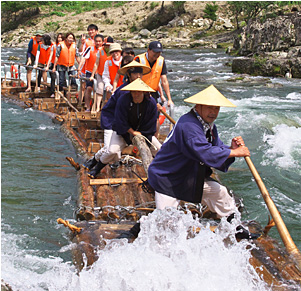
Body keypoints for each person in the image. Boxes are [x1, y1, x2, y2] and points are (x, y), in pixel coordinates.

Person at [147, 85, 260, 240]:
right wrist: (234, 152)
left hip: (189, 175)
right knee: (165, 224)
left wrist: (230, 149)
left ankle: (235, 228)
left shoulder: (209, 126)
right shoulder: (189, 125)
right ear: (198, 106)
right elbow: (204, 152)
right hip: (168, 176)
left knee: (220, 194)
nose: (213, 112)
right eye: (209, 108)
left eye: (216, 108)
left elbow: (215, 147)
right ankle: (137, 231)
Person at [83, 60, 151, 171]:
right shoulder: (123, 91)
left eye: (140, 73)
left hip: (123, 121)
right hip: (112, 119)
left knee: (115, 152)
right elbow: (120, 114)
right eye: (135, 73)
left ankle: (102, 161)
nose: (138, 76)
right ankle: (93, 163)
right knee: (109, 149)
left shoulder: (142, 89)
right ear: (129, 75)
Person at [86, 78, 161, 179]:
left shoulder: (151, 103)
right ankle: (96, 168)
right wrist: (132, 132)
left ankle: (161, 172)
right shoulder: (123, 100)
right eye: (134, 92)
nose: (136, 94)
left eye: (139, 92)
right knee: (112, 151)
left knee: (159, 149)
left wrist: (140, 134)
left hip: (143, 133)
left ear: (144, 92)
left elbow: (151, 123)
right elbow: (119, 120)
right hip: (123, 132)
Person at [135, 41, 173, 107]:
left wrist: (169, 99)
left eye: (159, 52)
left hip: (153, 93)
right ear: (148, 50)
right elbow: (133, 79)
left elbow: (164, 81)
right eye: (155, 52)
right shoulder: (139, 60)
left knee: (155, 114)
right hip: (139, 92)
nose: (157, 54)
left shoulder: (161, 61)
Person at [77, 34, 104, 111]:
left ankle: (96, 107)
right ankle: (88, 107)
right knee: (88, 88)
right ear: (94, 42)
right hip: (90, 72)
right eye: (96, 41)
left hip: (100, 73)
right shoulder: (90, 48)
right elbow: (83, 58)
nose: (98, 43)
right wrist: (79, 69)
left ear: (102, 42)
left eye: (99, 41)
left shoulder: (104, 50)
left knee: (99, 90)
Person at [45, 33, 65, 97]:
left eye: (61, 38)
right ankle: (52, 92)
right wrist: (48, 66)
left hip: (61, 64)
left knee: (62, 79)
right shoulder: (54, 46)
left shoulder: (64, 46)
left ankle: (63, 91)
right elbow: (50, 56)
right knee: (53, 78)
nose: (60, 39)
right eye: (59, 37)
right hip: (53, 63)